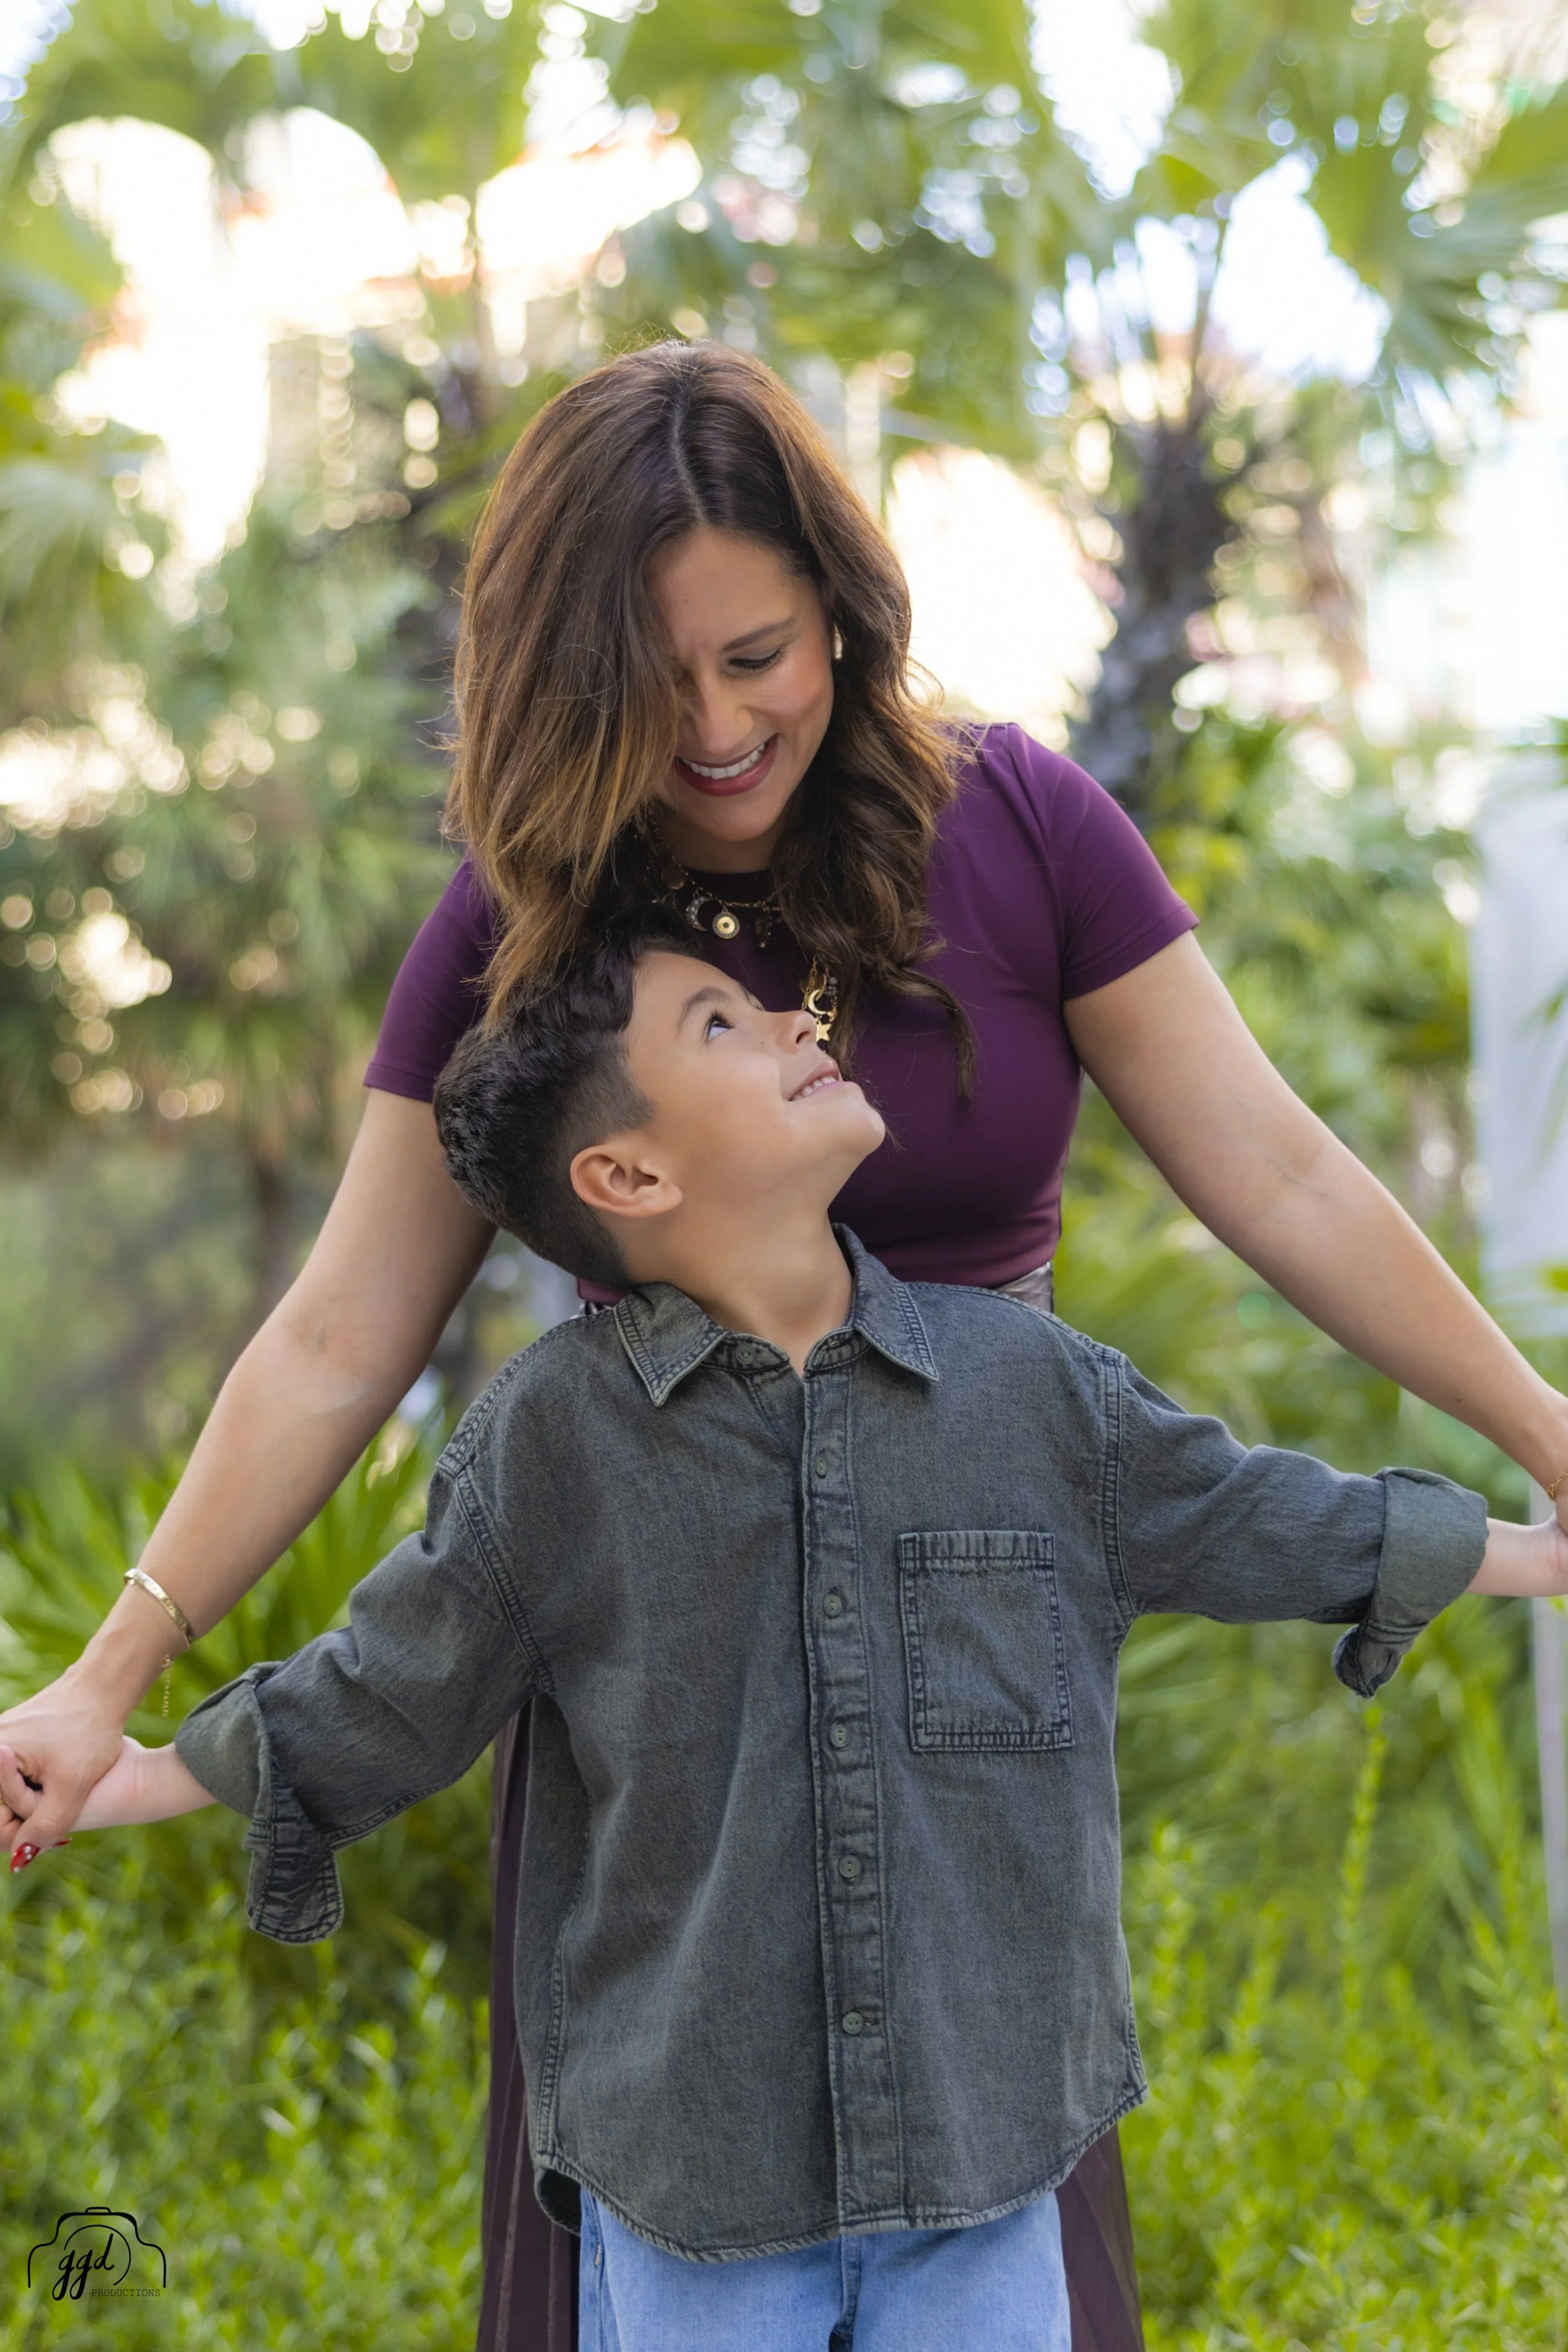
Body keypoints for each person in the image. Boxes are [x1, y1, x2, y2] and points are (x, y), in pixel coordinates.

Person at [4, 341, 1567, 2352]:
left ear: (837, 599)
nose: (719, 726)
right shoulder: (530, 923)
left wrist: (1539, 1429)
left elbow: (1274, 1171)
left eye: (757, 653)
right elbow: (331, 1336)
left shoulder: (1017, 823)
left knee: (984, 2196)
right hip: (684, 1712)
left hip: (968, 1679)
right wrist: (106, 1672)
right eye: (651, 686)